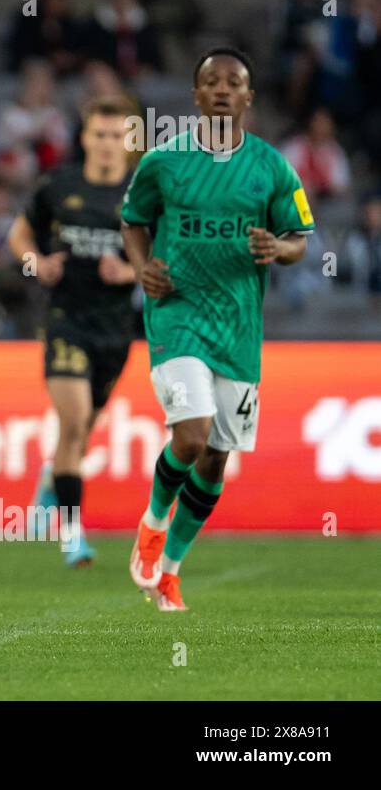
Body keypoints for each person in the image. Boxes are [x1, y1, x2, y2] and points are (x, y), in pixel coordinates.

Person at [121, 48, 313, 611]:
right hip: (177, 313)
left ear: (249, 98)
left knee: (215, 459)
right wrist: (142, 267)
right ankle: (152, 526)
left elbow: (300, 239)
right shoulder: (163, 160)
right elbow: (133, 220)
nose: (224, 89)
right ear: (197, 96)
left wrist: (278, 247)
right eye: (212, 82)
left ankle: (171, 571)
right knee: (191, 436)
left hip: (237, 328)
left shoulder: (273, 167)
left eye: (235, 82)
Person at [6, 96, 139, 567]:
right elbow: (19, 235)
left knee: (81, 432)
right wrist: (34, 262)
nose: (106, 144)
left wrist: (130, 273)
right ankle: (72, 535)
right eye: (98, 135)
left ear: (129, 141)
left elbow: (165, 260)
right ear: (84, 139)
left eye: (115, 136)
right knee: (74, 417)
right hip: (65, 320)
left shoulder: (143, 194)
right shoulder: (59, 186)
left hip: (116, 330)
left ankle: (49, 481)